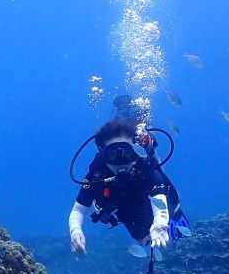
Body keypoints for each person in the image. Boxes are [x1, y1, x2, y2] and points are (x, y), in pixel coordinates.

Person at [69, 96, 189, 255]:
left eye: (127, 153)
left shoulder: (144, 165)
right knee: (141, 236)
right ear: (103, 156)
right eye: (112, 156)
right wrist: (76, 231)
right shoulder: (98, 171)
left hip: (153, 200)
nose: (120, 162)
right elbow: (79, 209)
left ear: (136, 151)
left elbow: (159, 198)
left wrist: (159, 224)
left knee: (166, 211)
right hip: (125, 206)